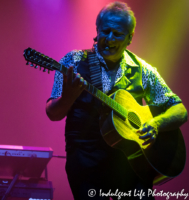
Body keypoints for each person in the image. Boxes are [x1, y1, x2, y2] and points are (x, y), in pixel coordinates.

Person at [46, 2, 187, 200]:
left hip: (130, 166)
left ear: (130, 38)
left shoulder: (143, 70)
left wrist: (155, 124)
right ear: (97, 31)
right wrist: (68, 98)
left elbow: (180, 110)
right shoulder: (73, 61)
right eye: (106, 31)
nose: (109, 39)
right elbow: (53, 113)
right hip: (86, 164)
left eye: (118, 34)